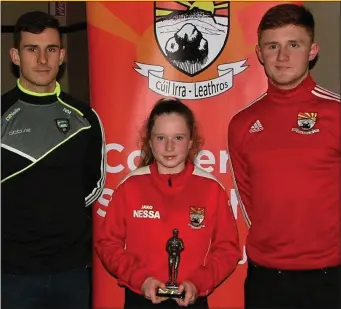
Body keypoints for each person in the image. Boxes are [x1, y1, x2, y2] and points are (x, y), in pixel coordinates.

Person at [227, 4, 340, 309]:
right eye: (272, 46)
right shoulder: (241, 124)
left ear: (312, 50)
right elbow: (250, 201)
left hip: (330, 278)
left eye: (294, 44)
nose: (282, 56)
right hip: (266, 279)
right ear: (259, 53)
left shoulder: (337, 113)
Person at [1, 11, 106, 309]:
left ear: (62, 55)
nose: (42, 59)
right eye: (31, 49)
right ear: (15, 56)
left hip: (71, 271)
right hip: (10, 274)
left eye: (50, 49)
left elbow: (93, 186)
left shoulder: (85, 117)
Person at [95, 98, 241, 309]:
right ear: (150, 141)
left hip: (192, 300)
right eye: (161, 137)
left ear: (191, 141)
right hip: (141, 298)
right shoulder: (131, 186)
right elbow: (107, 243)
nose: (169, 146)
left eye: (178, 137)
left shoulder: (211, 188)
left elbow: (228, 249)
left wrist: (198, 283)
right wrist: (140, 279)